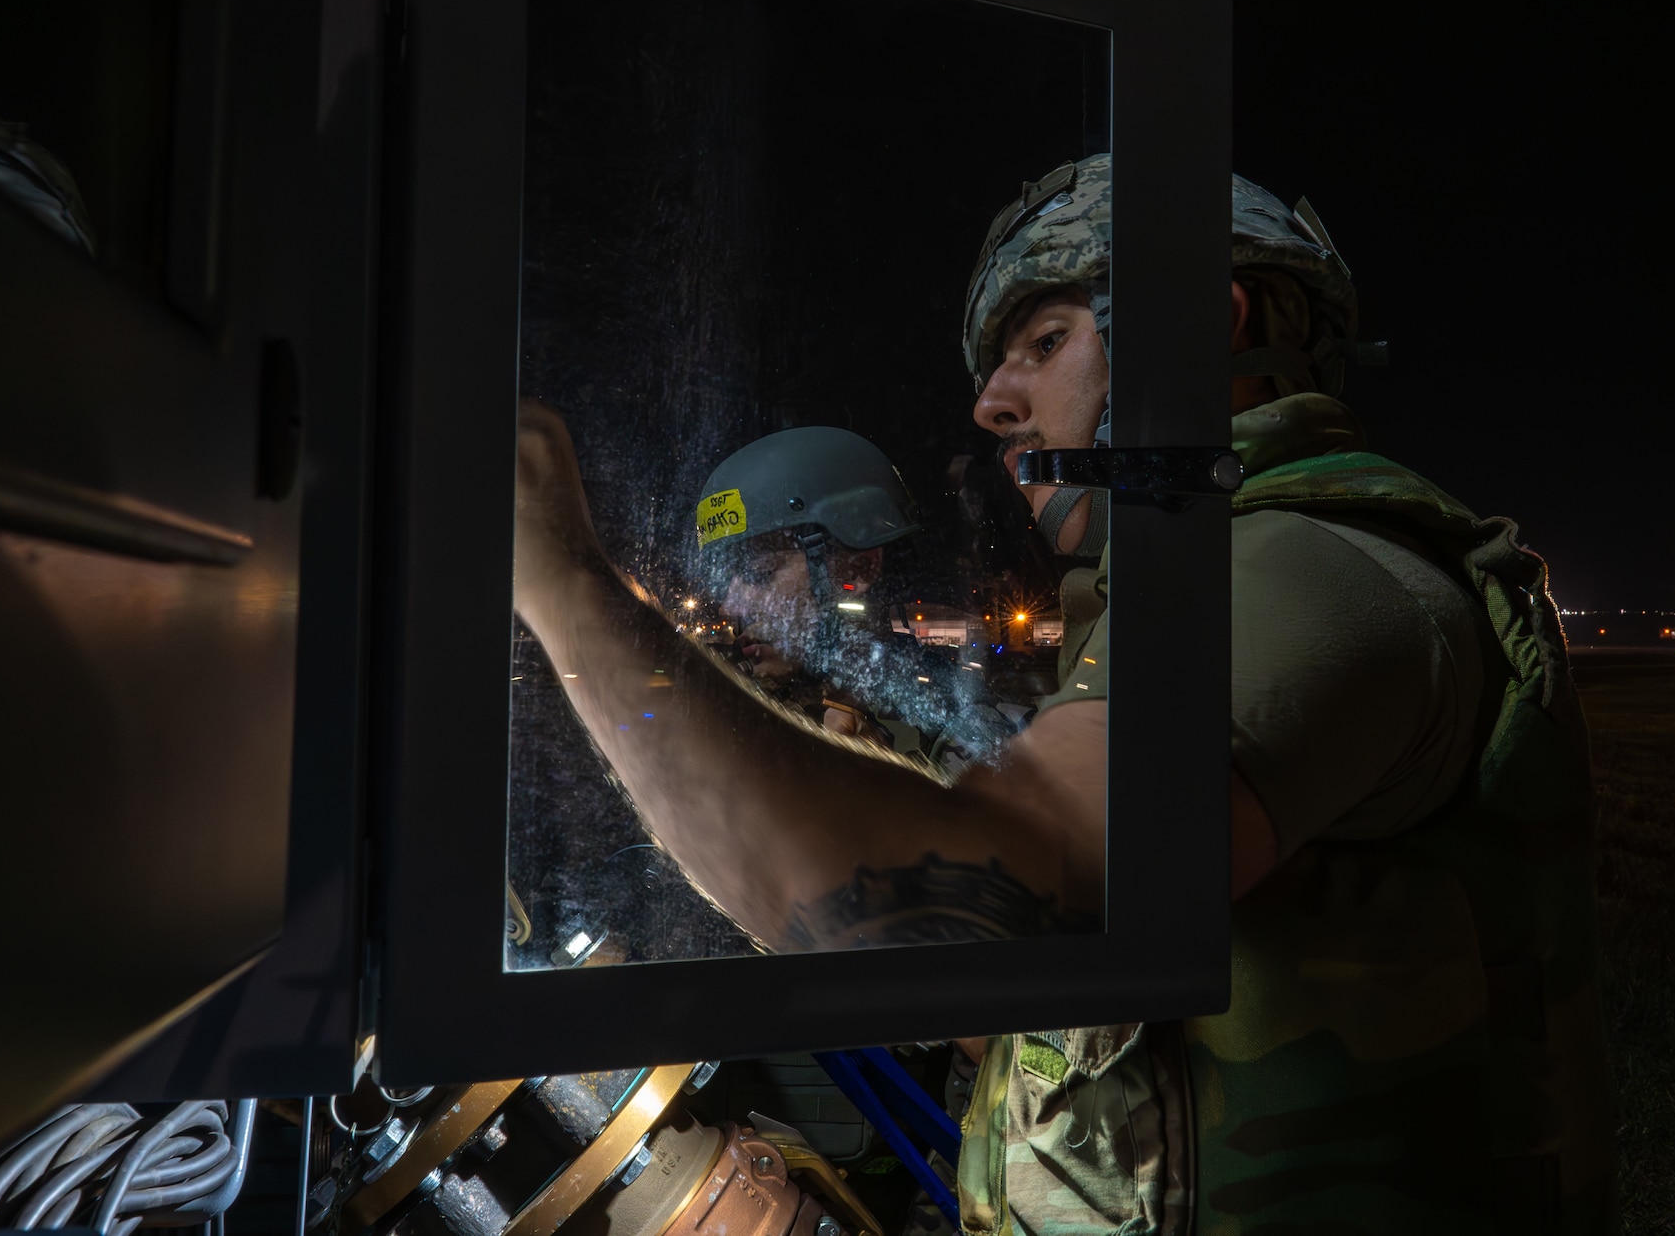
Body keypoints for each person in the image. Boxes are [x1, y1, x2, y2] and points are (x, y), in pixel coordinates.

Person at [512, 156, 1615, 1232]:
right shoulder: (1170, 598)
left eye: (1044, 343)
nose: (992, 404)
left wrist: (560, 579)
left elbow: (976, 923)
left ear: (1204, 326)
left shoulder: (1307, 572)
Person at [695, 425, 1018, 767]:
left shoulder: (960, 727)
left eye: (759, 573)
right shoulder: (763, 707)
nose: (730, 606)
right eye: (726, 581)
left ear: (859, 569)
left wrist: (881, 782)